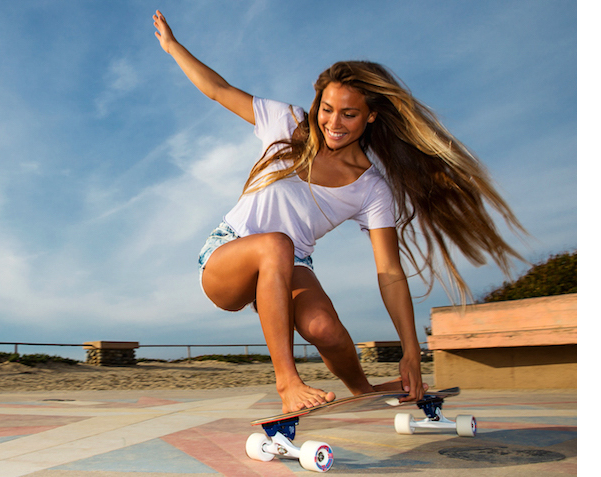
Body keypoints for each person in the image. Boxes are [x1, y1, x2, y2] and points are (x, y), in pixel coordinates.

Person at [152, 11, 525, 413]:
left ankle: (362, 389)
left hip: (291, 263)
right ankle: (287, 382)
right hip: (228, 256)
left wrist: (412, 351)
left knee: (325, 329)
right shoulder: (289, 123)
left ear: (371, 117)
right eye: (327, 109)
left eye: (349, 114)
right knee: (275, 244)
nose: (333, 123)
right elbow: (219, 90)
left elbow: (390, 272)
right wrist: (173, 47)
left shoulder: (371, 188)